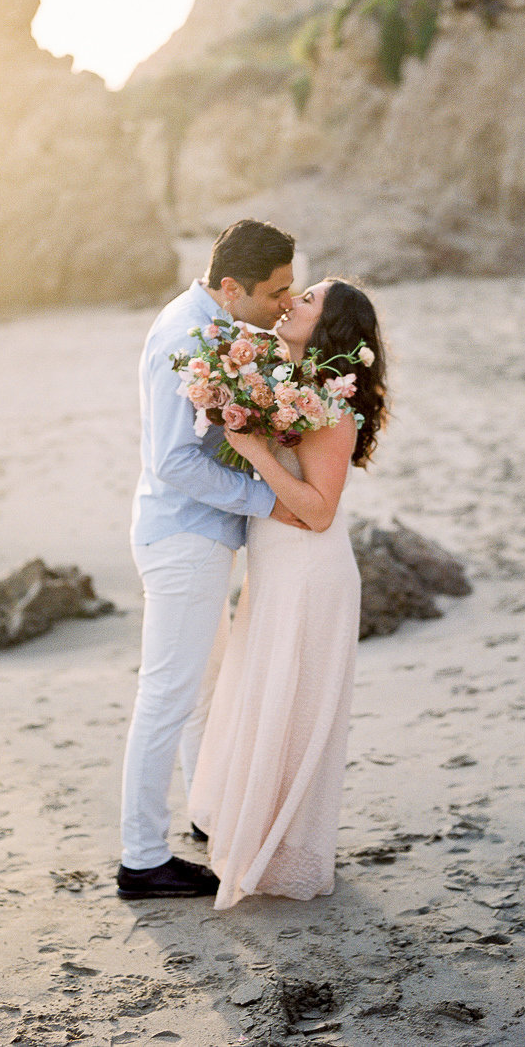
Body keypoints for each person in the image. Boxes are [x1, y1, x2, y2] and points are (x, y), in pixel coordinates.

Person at [116, 218, 303, 899]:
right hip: (182, 538)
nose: (286, 301)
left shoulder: (218, 327)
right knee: (167, 697)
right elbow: (170, 461)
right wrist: (262, 495)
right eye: (277, 291)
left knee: (201, 692)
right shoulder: (185, 336)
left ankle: (207, 816)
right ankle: (140, 859)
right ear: (232, 287)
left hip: (196, 537)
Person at [188, 278, 387, 909]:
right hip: (275, 566)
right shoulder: (282, 384)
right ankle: (254, 835)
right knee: (260, 696)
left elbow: (319, 511)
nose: (293, 301)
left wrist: (252, 447)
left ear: (328, 326)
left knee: (289, 707)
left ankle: (284, 852)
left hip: (309, 571)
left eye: (308, 300)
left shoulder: (334, 408)